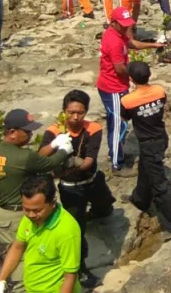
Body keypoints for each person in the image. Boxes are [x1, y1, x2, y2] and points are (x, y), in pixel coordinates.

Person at [38, 91, 114, 289]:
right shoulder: (54, 131)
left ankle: (98, 211)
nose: (75, 117)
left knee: (106, 206)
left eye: (80, 113)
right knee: (76, 231)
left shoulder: (93, 128)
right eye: (71, 112)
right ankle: (80, 267)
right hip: (71, 189)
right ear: (64, 111)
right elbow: (40, 155)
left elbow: (90, 159)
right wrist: (55, 144)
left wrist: (70, 166)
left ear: (86, 112)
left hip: (92, 179)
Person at [0, 109, 73, 285]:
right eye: (26, 131)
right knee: (24, 271)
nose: (30, 134)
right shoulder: (23, 156)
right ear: (12, 133)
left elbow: (32, 161)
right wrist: (63, 150)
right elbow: (47, 163)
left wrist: (52, 145)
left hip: (4, 216)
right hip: (20, 216)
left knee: (14, 262)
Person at [120, 61, 171, 237]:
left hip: (148, 142)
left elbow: (125, 117)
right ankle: (140, 200)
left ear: (131, 79)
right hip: (161, 137)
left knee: (160, 186)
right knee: (145, 168)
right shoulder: (160, 91)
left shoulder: (128, 100)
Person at [96, 8, 165, 173]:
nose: (126, 28)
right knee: (117, 125)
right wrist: (137, 73)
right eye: (123, 25)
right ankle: (116, 164)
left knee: (121, 123)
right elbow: (119, 68)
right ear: (113, 23)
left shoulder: (119, 34)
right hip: (112, 87)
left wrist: (152, 44)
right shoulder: (113, 41)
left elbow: (131, 43)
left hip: (120, 85)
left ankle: (118, 153)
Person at [0, 175, 81, 293]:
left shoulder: (67, 230)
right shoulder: (29, 219)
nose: (31, 215)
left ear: (52, 203)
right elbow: (18, 247)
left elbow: (70, 276)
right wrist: (1, 281)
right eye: (26, 209)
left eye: (37, 210)